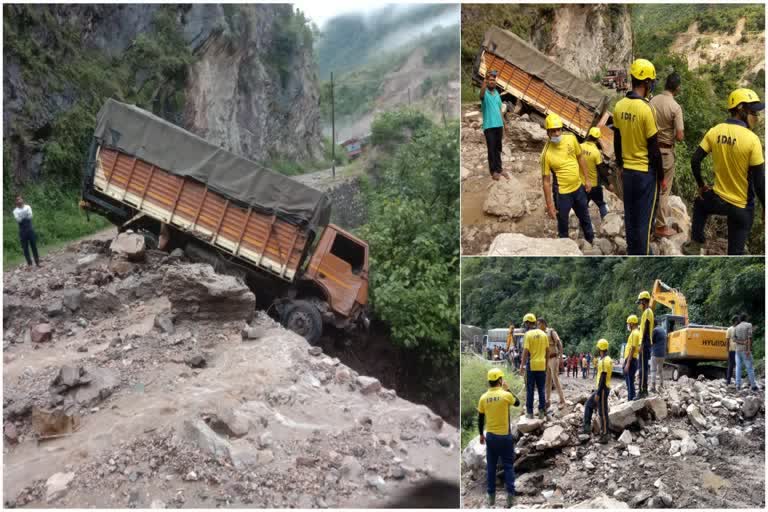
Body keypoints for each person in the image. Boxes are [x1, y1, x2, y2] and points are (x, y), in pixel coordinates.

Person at [683, 88, 765, 255]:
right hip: (741, 207)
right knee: (736, 253)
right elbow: (759, 183)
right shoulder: (752, 140)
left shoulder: (716, 131)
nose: (756, 117)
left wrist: (701, 185)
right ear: (741, 109)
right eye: (753, 112)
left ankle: (695, 245)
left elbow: (695, 160)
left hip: (718, 199)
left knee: (700, 203)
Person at [612, 58, 663, 255]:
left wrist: (620, 165)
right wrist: (661, 176)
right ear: (647, 82)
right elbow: (654, 149)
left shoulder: (619, 106)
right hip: (644, 174)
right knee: (644, 220)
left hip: (628, 173)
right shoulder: (646, 109)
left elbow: (617, 140)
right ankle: (641, 254)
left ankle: (633, 250)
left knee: (631, 216)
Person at [540, 113, 595, 244]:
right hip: (562, 194)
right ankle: (563, 245)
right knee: (563, 223)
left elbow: (580, 157)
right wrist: (550, 205)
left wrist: (587, 180)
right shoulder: (546, 154)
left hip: (578, 188)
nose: (557, 133)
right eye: (553, 131)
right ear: (548, 132)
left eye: (558, 129)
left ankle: (591, 240)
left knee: (585, 217)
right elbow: (546, 181)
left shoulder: (571, 138)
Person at [477, 368, 520, 507]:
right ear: (500, 380)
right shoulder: (505, 395)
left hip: (491, 438)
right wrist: (508, 389)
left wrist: (480, 435)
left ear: (489, 381)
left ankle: (491, 498)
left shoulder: (483, 398)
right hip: (505, 437)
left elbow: (480, 418)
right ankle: (510, 498)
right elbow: (517, 402)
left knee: (491, 467)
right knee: (508, 466)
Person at [649, 72, 685, 238]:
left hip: (650, 149)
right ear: (677, 88)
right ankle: (661, 226)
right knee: (664, 189)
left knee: (651, 185)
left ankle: (647, 221)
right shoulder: (675, 107)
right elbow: (679, 135)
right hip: (665, 153)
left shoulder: (652, 101)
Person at [480, 70, 509, 181]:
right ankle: (493, 171)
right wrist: (484, 82)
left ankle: (499, 168)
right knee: (491, 149)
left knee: (498, 148)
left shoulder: (497, 93)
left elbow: (500, 109)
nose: (492, 82)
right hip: (489, 126)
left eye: (494, 80)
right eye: (490, 80)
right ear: (487, 81)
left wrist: (504, 124)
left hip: (498, 125)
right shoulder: (484, 93)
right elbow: (481, 94)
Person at [519, 313, 549, 419]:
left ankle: (530, 412)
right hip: (541, 364)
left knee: (530, 389)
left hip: (531, 364)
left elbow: (525, 351)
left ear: (528, 323)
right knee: (541, 389)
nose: (525, 326)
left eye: (525, 324)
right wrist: (546, 363)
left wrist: (522, 366)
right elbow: (547, 350)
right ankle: (541, 412)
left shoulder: (528, 335)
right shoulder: (543, 334)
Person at [583, 339, 612, 443]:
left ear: (600, 348)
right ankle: (586, 428)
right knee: (588, 405)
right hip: (602, 388)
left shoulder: (604, 361)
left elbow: (603, 377)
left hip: (603, 389)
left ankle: (605, 435)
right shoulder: (605, 359)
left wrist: (598, 393)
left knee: (603, 413)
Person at [580, 127, 610, 218]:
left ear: (589, 135)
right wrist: (608, 183)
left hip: (581, 183)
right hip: (594, 185)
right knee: (601, 204)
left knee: (583, 205)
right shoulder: (596, 152)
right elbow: (601, 170)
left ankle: (583, 224)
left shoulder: (580, 146)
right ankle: (605, 223)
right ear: (597, 139)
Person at [538, 318, 566, 407]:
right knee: (547, 380)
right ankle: (547, 399)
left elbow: (559, 343)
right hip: (546, 359)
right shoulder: (540, 334)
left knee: (555, 378)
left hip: (554, 357)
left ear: (543, 323)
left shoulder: (551, 331)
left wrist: (561, 356)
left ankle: (562, 399)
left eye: (539, 324)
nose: (538, 326)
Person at [732, 313, 759, 391]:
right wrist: (748, 349)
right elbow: (749, 338)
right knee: (749, 367)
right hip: (745, 350)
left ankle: (738, 385)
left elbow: (734, 339)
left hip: (737, 350)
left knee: (738, 367)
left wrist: (741, 342)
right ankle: (753, 386)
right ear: (746, 318)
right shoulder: (748, 325)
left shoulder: (736, 327)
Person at [13, 195, 41, 267]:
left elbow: (30, 216)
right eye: (17, 200)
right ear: (15, 202)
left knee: (34, 245)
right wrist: (25, 215)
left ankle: (37, 262)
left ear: (22, 200)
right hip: (22, 231)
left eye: (20, 199)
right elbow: (18, 220)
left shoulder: (28, 207)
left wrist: (22, 216)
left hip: (30, 229)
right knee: (25, 248)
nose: (19, 201)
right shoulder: (15, 211)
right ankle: (29, 264)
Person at [636, 291, 654, 399]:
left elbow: (646, 328)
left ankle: (642, 391)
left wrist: (641, 344)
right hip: (646, 342)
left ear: (644, 301)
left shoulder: (647, 312)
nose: (639, 305)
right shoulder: (647, 312)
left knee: (642, 368)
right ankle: (644, 389)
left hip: (645, 342)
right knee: (643, 367)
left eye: (640, 303)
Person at [624, 314, 641, 401]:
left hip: (631, 359)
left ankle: (630, 399)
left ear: (631, 323)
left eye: (628, 323)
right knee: (629, 380)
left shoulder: (634, 333)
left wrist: (628, 363)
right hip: (632, 359)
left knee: (630, 381)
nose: (628, 325)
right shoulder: (635, 333)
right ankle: (631, 398)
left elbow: (633, 348)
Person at [650, 318, 667, 392]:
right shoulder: (663, 330)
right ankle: (661, 385)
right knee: (660, 370)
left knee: (653, 370)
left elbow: (652, 341)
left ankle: (653, 387)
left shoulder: (655, 330)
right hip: (662, 354)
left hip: (655, 353)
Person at [726, 315, 739, 387]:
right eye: (738, 320)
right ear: (736, 321)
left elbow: (727, 340)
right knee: (736, 365)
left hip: (732, 349)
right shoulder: (738, 329)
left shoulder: (729, 329)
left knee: (731, 365)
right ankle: (737, 382)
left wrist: (727, 349)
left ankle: (728, 381)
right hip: (737, 349)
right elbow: (727, 340)